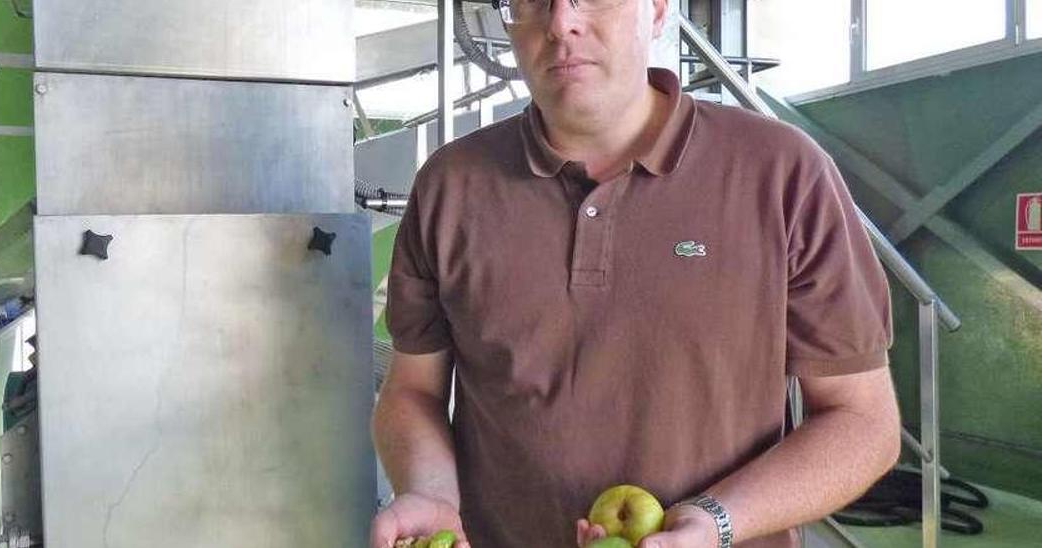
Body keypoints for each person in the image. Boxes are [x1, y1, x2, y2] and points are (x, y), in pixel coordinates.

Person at [369, 0, 901, 547]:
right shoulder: (450, 187)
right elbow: (414, 392)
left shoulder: (782, 174)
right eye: (531, 1)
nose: (560, 22)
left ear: (656, 10)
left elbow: (862, 422)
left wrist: (717, 521)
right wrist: (431, 494)